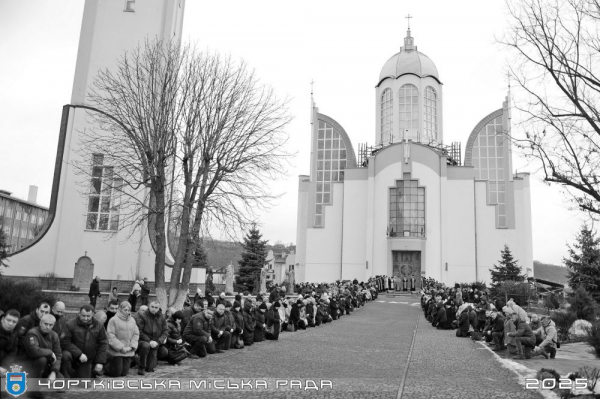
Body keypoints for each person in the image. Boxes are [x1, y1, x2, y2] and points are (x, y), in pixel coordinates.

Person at [61, 305, 108, 378]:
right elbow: (65, 342)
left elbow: (103, 343)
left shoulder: (99, 325)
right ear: (79, 313)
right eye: (83, 316)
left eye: (88, 316)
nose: (86, 318)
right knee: (65, 355)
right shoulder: (70, 324)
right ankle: (66, 377)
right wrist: (79, 354)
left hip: (87, 358)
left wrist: (100, 362)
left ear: (93, 314)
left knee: (85, 383)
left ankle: (86, 371)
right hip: (74, 355)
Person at [23, 314, 62, 397]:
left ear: (53, 325)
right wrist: (50, 352)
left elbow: (58, 355)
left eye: (50, 325)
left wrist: (53, 372)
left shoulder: (54, 335)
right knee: (42, 359)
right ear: (40, 323)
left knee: (61, 383)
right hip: (31, 365)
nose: (48, 327)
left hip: (47, 366)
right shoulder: (32, 333)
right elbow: (34, 352)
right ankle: (33, 389)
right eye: (45, 324)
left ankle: (45, 379)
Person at [105, 301, 138, 377]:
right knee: (116, 373)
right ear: (120, 309)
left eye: (128, 310)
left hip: (128, 350)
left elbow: (136, 334)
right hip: (117, 350)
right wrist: (121, 348)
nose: (127, 312)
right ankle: (106, 367)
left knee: (124, 373)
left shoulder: (132, 320)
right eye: (125, 310)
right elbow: (111, 335)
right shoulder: (113, 320)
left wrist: (130, 347)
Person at [136, 300, 169, 375]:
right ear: (149, 306)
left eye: (156, 307)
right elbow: (139, 331)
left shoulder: (162, 317)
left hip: (156, 342)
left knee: (164, 352)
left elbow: (165, 331)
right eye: (152, 307)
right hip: (144, 341)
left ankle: (151, 360)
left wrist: (158, 342)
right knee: (146, 346)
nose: (154, 309)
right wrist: (149, 341)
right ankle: (141, 366)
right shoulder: (143, 316)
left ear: (159, 308)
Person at [0, 309, 20, 376]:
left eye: (14, 322)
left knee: (18, 371)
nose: (11, 324)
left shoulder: (14, 335)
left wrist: (5, 367)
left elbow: (12, 352)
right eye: (8, 320)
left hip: (3, 365)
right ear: (2, 319)